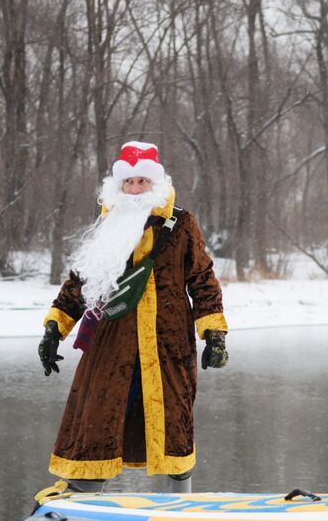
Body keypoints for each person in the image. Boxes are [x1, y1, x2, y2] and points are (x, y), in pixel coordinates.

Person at [38, 141, 228, 494]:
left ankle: (181, 506)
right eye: (130, 182)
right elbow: (80, 283)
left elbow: (203, 280)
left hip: (167, 344)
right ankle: (83, 496)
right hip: (111, 346)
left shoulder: (182, 224)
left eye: (143, 181)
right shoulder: (108, 226)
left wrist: (214, 335)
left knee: (173, 421)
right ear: (119, 186)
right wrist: (54, 329)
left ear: (156, 184)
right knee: (98, 418)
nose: (136, 188)